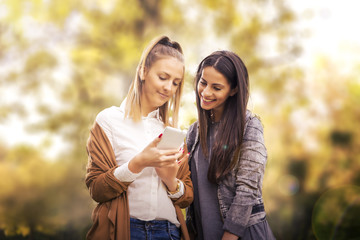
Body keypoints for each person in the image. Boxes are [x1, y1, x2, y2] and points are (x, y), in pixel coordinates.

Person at [85, 35, 193, 240]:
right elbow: (96, 189)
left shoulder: (172, 132)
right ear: (143, 71)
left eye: (176, 83)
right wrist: (138, 163)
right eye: (163, 77)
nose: (168, 88)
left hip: (169, 232)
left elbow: (186, 197)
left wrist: (171, 181)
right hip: (126, 231)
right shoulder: (108, 121)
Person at [186, 51, 275, 240]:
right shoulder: (193, 132)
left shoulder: (249, 126)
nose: (206, 92)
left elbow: (248, 190)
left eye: (216, 88)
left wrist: (229, 236)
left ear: (233, 90)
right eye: (203, 83)